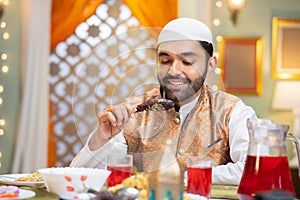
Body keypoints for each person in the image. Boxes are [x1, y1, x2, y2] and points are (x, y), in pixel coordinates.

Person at [70, 17, 257, 185]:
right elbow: (78, 179)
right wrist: (102, 137)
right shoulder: (134, 111)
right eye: (165, 60)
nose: (174, 70)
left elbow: (254, 170)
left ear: (210, 66)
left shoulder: (233, 112)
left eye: (187, 62)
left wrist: (186, 176)